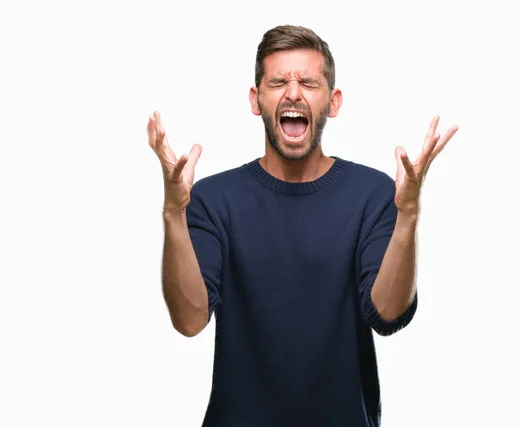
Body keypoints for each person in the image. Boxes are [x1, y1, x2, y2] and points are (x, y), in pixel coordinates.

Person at [147, 24, 458, 427]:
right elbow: (189, 321)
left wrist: (408, 216)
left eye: (309, 82)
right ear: (256, 100)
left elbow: (387, 314)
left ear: (333, 101)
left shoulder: (373, 193)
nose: (293, 92)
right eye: (278, 81)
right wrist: (173, 213)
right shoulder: (212, 199)